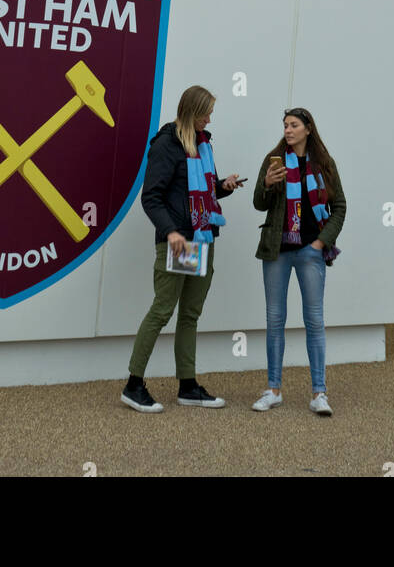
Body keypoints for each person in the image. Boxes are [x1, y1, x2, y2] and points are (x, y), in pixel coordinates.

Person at [122, 85, 241, 412]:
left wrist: (223, 187)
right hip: (181, 241)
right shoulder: (168, 145)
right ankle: (133, 385)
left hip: (202, 239)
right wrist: (172, 232)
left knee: (190, 314)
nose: (210, 117)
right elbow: (152, 198)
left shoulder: (202, 145)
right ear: (191, 110)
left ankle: (188, 386)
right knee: (163, 310)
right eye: (206, 112)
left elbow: (201, 192)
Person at [252, 108, 346, 415]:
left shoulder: (323, 163)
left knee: (314, 321)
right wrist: (267, 182)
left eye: (294, 125)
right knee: (274, 320)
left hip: (310, 250)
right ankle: (273, 389)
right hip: (277, 250)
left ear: (308, 129)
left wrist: (321, 242)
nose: (288, 130)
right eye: (285, 125)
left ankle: (319, 393)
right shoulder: (273, 159)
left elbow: (340, 206)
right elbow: (258, 203)